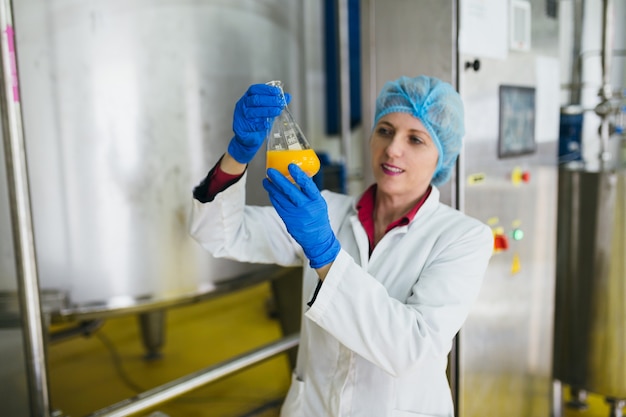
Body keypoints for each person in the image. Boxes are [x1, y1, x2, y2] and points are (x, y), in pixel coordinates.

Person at [189, 75, 493, 417]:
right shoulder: (325, 210)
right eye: (385, 130)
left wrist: (324, 253)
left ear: (442, 156)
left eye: (416, 139)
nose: (393, 149)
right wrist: (238, 154)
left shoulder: (463, 237)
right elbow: (220, 234)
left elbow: (411, 350)